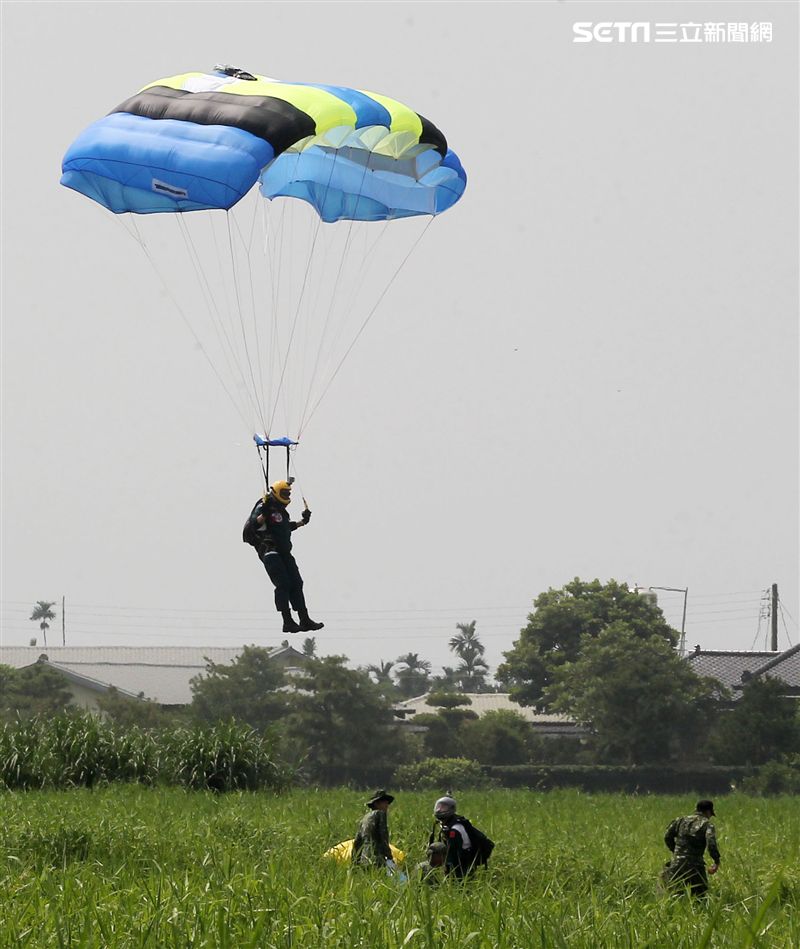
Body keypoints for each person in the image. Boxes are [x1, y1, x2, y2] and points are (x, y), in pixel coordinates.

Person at [243, 479, 323, 634]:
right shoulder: (264, 506)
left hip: (284, 552)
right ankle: (287, 621)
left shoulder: (280, 511)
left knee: (297, 582)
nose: (287, 496)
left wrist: (303, 522)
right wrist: (264, 513)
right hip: (270, 551)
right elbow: (255, 524)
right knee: (284, 584)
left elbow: (284, 527)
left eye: (288, 493)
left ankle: (304, 619)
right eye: (284, 493)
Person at [662, 799, 721, 897]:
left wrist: (676, 852)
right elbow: (711, 843)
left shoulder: (681, 820)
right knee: (700, 897)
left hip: (677, 865)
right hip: (696, 866)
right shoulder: (707, 824)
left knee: (675, 896)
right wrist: (716, 861)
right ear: (708, 811)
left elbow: (667, 836)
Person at [429, 795, 493, 879]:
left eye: (443, 808)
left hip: (463, 860)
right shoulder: (447, 823)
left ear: (451, 809)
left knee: (461, 882)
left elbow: (453, 852)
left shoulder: (455, 829)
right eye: (438, 807)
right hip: (460, 858)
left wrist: (448, 868)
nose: (439, 810)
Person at [352, 789, 395, 870]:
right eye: (384, 802)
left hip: (364, 859)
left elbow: (357, 842)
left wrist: (355, 862)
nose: (387, 805)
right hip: (377, 859)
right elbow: (384, 837)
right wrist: (389, 857)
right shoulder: (380, 814)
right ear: (376, 803)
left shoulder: (363, 819)